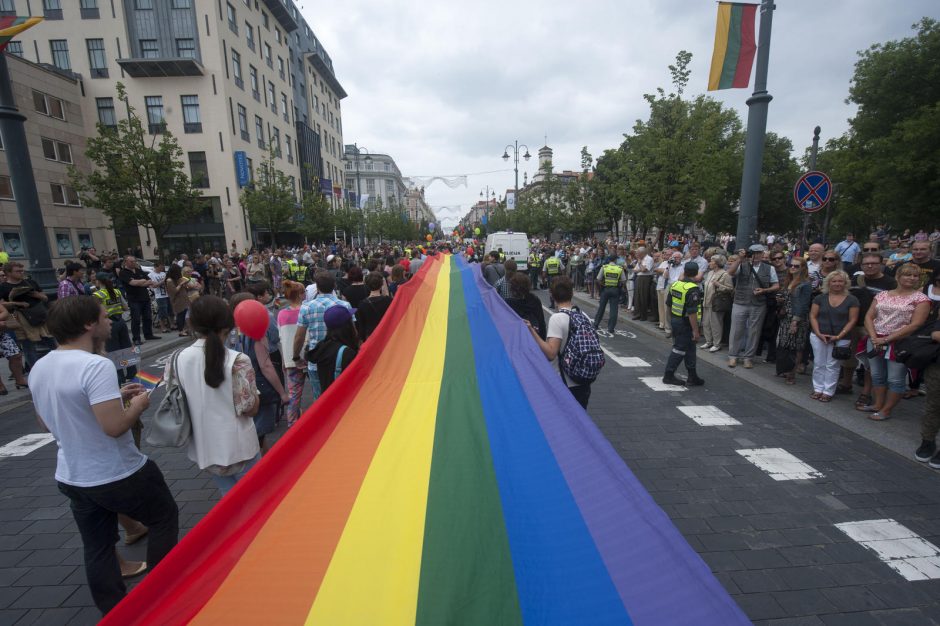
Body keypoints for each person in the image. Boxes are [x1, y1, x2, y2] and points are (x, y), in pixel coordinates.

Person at [29, 296, 178, 615]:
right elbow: (114, 427)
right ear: (88, 325)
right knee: (164, 517)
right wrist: (136, 405)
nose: (111, 321)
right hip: (117, 471)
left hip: (72, 475)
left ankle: (115, 611)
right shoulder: (95, 365)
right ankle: (161, 595)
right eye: (104, 317)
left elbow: (47, 420)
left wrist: (113, 397)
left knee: (98, 547)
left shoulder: (41, 366)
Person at [172, 296, 262, 495]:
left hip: (205, 448)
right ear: (227, 325)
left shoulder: (178, 358)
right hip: (239, 447)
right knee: (257, 501)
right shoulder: (238, 360)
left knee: (230, 501)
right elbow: (250, 408)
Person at [860, 263, 931, 420]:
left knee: (895, 378)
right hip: (875, 338)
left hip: (900, 342)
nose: (912, 278)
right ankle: (878, 404)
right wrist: (874, 337)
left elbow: (916, 324)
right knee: (877, 374)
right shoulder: (883, 294)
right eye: (907, 274)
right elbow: (869, 316)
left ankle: (886, 410)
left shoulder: (921, 299)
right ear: (898, 276)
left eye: (915, 276)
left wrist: (886, 339)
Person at [527, 276, 594, 408]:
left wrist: (531, 331)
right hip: (583, 380)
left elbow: (551, 353)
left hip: (564, 382)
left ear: (551, 295)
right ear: (572, 293)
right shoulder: (583, 315)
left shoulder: (557, 318)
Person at [292, 271, 353, 400]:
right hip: (341, 357)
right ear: (334, 286)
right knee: (344, 396)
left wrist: (296, 356)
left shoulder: (307, 307)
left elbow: (299, 337)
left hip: (317, 358)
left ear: (317, 287)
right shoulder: (344, 305)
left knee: (320, 399)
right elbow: (353, 332)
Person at [808, 271, 860, 401]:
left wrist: (839, 336)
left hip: (840, 337)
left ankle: (828, 391)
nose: (837, 284)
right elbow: (813, 316)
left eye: (840, 281)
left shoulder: (852, 300)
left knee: (833, 365)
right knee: (819, 363)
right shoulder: (820, 298)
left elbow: (852, 320)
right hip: (819, 335)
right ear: (829, 283)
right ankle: (818, 388)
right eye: (834, 281)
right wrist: (818, 333)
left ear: (845, 283)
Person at [726, 244, 779, 368]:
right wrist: (740, 258)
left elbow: (776, 285)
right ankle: (733, 356)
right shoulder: (742, 265)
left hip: (758, 304)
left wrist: (764, 290)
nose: (756, 255)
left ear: (762, 254)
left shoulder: (769, 268)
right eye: (753, 253)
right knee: (736, 330)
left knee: (754, 331)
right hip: (740, 302)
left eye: (759, 253)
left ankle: (748, 357)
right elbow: (730, 272)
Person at [0, 261, 56, 368]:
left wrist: (36, 295)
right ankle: (35, 370)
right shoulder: (3, 287)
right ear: (8, 273)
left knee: (51, 342)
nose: (21, 273)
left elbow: (45, 297)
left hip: (38, 315)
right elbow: (2, 304)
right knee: (28, 347)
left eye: (22, 271)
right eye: (17, 271)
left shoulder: (30, 282)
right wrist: (17, 303)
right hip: (21, 317)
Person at [662, 262, 705, 386]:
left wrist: (671, 322)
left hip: (676, 320)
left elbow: (668, 305)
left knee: (690, 348)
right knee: (679, 349)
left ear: (684, 271)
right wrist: (696, 331)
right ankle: (668, 375)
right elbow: (692, 313)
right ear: (696, 273)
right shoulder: (692, 289)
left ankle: (692, 376)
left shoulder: (675, 284)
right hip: (686, 323)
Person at [93, 272, 138, 386]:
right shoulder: (117, 291)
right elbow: (125, 307)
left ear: (98, 282)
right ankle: (132, 373)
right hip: (121, 322)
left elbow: (94, 311)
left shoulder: (97, 295)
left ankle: (120, 377)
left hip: (109, 323)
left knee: (113, 350)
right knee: (126, 348)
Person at [775, 256, 812, 384]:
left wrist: (795, 321)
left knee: (796, 347)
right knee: (785, 344)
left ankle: (792, 373)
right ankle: (785, 369)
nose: (792, 267)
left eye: (796, 266)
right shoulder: (789, 280)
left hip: (798, 318)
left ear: (803, 268)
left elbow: (803, 304)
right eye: (791, 265)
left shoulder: (806, 283)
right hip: (786, 317)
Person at [307, 305, 360, 393]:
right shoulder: (347, 353)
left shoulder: (322, 346)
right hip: (345, 400)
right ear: (347, 326)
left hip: (329, 399)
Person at [277, 280, 306, 427]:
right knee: (319, 391)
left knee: (294, 394)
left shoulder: (282, 314)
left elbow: (282, 338)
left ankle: (292, 423)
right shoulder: (306, 310)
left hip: (290, 358)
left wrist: (283, 360)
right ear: (301, 295)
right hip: (308, 356)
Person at [117, 256, 159, 345]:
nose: (134, 263)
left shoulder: (139, 271)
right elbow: (132, 283)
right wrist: (142, 282)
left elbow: (150, 281)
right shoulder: (123, 272)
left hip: (145, 297)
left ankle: (148, 334)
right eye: (131, 261)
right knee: (136, 319)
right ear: (126, 262)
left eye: (134, 261)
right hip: (134, 299)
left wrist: (140, 282)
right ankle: (136, 338)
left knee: (147, 317)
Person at [700, 254, 734, 352]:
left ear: (717, 263)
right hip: (706, 301)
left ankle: (717, 343)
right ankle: (708, 341)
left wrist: (718, 285)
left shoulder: (725, 274)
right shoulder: (710, 273)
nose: (710, 263)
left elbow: (730, 289)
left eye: (712, 261)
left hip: (716, 303)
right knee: (706, 323)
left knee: (716, 324)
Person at [506, 273, 547, 340]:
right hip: (533, 337)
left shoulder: (508, 303)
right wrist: (542, 340)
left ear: (512, 288)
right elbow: (541, 322)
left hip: (515, 338)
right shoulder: (534, 300)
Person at [0, 300, 28, 393]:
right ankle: (0, 386)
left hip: (1, 334)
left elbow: (5, 312)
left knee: (16, 355)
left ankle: (20, 381)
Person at [593, 256, 626, 334]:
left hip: (606, 289)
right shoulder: (619, 268)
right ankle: (611, 328)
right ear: (615, 260)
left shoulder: (604, 267)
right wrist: (619, 284)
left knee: (601, 307)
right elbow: (624, 281)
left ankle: (596, 324)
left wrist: (603, 284)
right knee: (614, 310)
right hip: (615, 290)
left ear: (609, 260)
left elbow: (598, 279)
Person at [356, 272, 393, 342]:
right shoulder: (388, 300)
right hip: (387, 334)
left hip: (371, 336)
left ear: (367, 285)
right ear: (382, 284)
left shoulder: (362, 304)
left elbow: (361, 325)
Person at [165, 264, 192, 336]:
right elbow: (174, 291)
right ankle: (181, 330)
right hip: (177, 300)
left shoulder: (177, 279)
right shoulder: (169, 280)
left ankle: (185, 329)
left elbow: (187, 279)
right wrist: (180, 284)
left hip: (183, 298)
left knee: (184, 314)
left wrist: (184, 282)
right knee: (180, 315)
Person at [632, 247, 654, 321]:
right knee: (637, 296)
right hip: (639, 277)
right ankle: (637, 313)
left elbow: (644, 270)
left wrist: (640, 264)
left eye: (638, 253)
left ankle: (643, 315)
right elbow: (635, 270)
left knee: (643, 296)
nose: (637, 255)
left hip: (645, 278)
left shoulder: (649, 259)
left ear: (642, 253)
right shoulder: (640, 259)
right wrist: (640, 268)